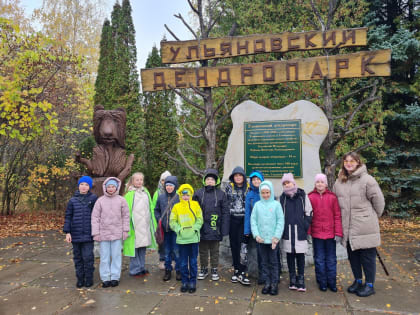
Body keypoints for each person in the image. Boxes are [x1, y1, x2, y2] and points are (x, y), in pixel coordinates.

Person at [333, 152, 385, 297]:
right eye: (346, 161)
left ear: (358, 162)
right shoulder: (339, 181)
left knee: (367, 257)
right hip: (348, 226)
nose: (349, 163)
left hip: (364, 226)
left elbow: (379, 202)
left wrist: (371, 216)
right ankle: (357, 280)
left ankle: (369, 284)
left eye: (352, 161)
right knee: (353, 256)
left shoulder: (367, 180)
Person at [91, 177, 130, 288]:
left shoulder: (121, 200)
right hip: (104, 234)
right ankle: (105, 278)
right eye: (109, 186)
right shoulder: (100, 201)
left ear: (116, 187)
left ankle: (115, 277)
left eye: (113, 186)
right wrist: (96, 233)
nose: (111, 188)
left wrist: (125, 230)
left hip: (117, 233)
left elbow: (126, 216)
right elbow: (95, 217)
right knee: (104, 257)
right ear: (105, 188)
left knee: (116, 256)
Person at [308, 174, 343, 292]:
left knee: (331, 259)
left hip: (330, 234)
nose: (319, 184)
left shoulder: (332, 197)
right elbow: (308, 216)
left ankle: (332, 282)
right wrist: (308, 232)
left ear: (326, 184)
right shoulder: (311, 197)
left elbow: (337, 216)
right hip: (317, 234)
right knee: (319, 259)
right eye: (317, 182)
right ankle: (322, 282)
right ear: (315, 184)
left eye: (322, 182)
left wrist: (338, 233)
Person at [194, 169, 229, 281]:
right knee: (203, 250)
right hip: (202, 227)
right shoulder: (198, 193)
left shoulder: (221, 194)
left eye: (212, 179)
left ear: (216, 181)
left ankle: (214, 269)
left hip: (215, 227)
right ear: (205, 180)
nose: (210, 181)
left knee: (215, 251)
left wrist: (224, 229)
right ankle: (204, 268)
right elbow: (193, 211)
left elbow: (225, 212)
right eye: (208, 179)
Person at [280, 173, 312, 292]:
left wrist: (305, 225)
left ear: (293, 183)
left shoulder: (302, 195)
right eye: (284, 183)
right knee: (290, 255)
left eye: (288, 182)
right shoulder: (283, 197)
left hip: (299, 231)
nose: (287, 185)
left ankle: (301, 278)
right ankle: (292, 277)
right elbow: (280, 214)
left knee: (300, 256)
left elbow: (309, 212)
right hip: (287, 231)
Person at [251, 181, 285, 296]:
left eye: (267, 192)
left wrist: (276, 237)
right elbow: (253, 221)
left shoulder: (276, 205)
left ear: (271, 192)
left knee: (273, 262)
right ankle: (267, 283)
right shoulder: (257, 205)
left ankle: (274, 284)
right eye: (263, 193)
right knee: (264, 263)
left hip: (273, 241)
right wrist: (256, 235)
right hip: (261, 240)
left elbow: (280, 221)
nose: (265, 195)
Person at [63, 176, 98, 288]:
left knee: (88, 257)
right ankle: (80, 278)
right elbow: (68, 216)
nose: (84, 187)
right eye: (82, 184)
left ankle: (88, 278)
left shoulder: (93, 198)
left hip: (88, 234)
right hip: (76, 234)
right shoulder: (72, 200)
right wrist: (67, 232)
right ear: (78, 185)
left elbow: (97, 216)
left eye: (86, 185)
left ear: (90, 187)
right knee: (78, 258)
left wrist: (97, 231)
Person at [170, 184, 203, 293]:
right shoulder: (176, 207)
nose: (185, 197)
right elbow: (172, 221)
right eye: (183, 195)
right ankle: (184, 281)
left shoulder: (195, 205)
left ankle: (192, 282)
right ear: (180, 195)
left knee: (193, 262)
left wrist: (195, 229)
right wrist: (179, 229)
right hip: (182, 239)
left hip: (193, 238)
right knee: (183, 262)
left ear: (191, 195)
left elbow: (199, 219)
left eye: (188, 195)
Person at [123, 172, 157, 277]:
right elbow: (126, 212)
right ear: (132, 181)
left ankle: (141, 267)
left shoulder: (145, 192)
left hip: (145, 225)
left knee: (142, 248)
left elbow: (151, 208)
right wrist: (127, 227)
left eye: (141, 180)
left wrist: (153, 222)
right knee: (134, 249)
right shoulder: (129, 195)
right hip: (135, 226)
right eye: (137, 180)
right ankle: (134, 269)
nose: (139, 182)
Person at [224, 166, 250, 285]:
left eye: (240, 175)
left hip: (244, 220)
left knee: (243, 246)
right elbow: (225, 203)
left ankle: (243, 271)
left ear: (243, 177)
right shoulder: (229, 187)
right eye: (236, 175)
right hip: (232, 220)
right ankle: (236, 270)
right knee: (234, 245)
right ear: (233, 177)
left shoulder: (248, 188)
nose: (238, 177)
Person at [154, 175, 181, 281]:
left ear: (175, 186)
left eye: (171, 186)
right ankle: (168, 271)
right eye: (167, 185)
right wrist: (159, 219)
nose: (169, 187)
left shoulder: (179, 198)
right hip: (164, 230)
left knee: (177, 251)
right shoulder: (161, 197)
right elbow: (156, 210)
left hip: (175, 230)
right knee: (167, 251)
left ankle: (178, 271)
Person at [244, 170, 265, 284]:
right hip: (254, 229)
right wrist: (247, 230)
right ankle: (260, 274)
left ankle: (270, 273)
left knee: (267, 253)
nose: (256, 181)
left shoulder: (266, 192)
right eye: (254, 180)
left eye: (258, 179)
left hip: (266, 228)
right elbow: (247, 213)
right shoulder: (250, 195)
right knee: (257, 253)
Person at [151, 170, 172, 270]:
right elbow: (154, 209)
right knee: (162, 243)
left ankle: (172, 260)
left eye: (167, 180)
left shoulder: (176, 194)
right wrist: (157, 222)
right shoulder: (157, 193)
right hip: (161, 223)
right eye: (163, 180)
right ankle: (162, 260)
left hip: (172, 224)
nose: (164, 182)